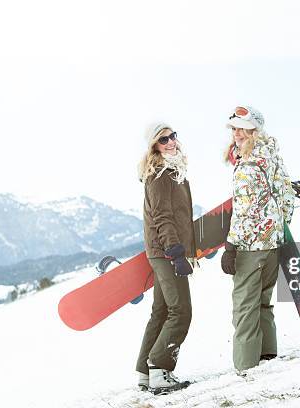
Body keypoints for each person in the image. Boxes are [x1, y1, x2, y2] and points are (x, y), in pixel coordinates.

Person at [220, 106, 295, 372]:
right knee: (263, 301)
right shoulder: (271, 154)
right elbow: (287, 194)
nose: (237, 134)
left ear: (255, 130)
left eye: (242, 128)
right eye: (234, 128)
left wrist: (230, 246)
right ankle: (267, 355)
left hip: (251, 245)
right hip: (272, 243)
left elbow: (244, 209)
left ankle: (246, 366)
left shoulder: (249, 163)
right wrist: (277, 226)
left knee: (244, 306)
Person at [135, 123, 195, 394]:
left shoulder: (171, 170)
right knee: (180, 311)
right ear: (154, 146)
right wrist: (176, 251)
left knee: (161, 311)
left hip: (163, 250)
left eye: (173, 136)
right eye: (163, 140)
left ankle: (146, 373)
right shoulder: (160, 174)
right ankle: (160, 370)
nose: (171, 142)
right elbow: (162, 216)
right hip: (166, 251)